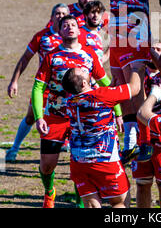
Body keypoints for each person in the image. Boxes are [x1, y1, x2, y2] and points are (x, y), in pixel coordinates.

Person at [70, 0, 152, 164]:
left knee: (136, 88)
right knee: (121, 87)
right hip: (116, 37)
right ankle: (131, 144)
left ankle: (146, 141)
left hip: (136, 35)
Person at [31, 14, 110, 208]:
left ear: (79, 29)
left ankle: (81, 202)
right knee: (47, 165)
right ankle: (49, 191)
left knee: (80, 162)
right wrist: (39, 117)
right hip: (55, 116)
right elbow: (38, 88)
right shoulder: (52, 56)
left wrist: (117, 111)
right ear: (60, 31)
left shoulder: (89, 54)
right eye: (65, 25)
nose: (70, 27)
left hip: (83, 118)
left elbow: (104, 84)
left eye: (73, 24)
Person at [61, 64, 143, 208]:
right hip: (105, 161)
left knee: (92, 205)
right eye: (82, 71)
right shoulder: (103, 96)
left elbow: (93, 100)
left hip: (79, 162)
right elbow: (135, 88)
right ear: (84, 83)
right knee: (119, 202)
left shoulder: (69, 103)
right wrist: (136, 67)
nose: (85, 69)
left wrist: (109, 89)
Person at [6, 3, 69, 162]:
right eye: (57, 13)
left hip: (68, 89)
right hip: (45, 88)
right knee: (31, 117)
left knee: (72, 118)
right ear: (51, 17)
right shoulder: (42, 37)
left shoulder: (74, 36)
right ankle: (14, 149)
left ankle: (72, 151)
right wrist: (14, 81)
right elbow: (25, 58)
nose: (60, 16)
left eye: (63, 13)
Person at [131, 41, 161, 208]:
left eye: (159, 49)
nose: (154, 52)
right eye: (152, 48)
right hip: (142, 138)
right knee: (142, 183)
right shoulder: (137, 74)